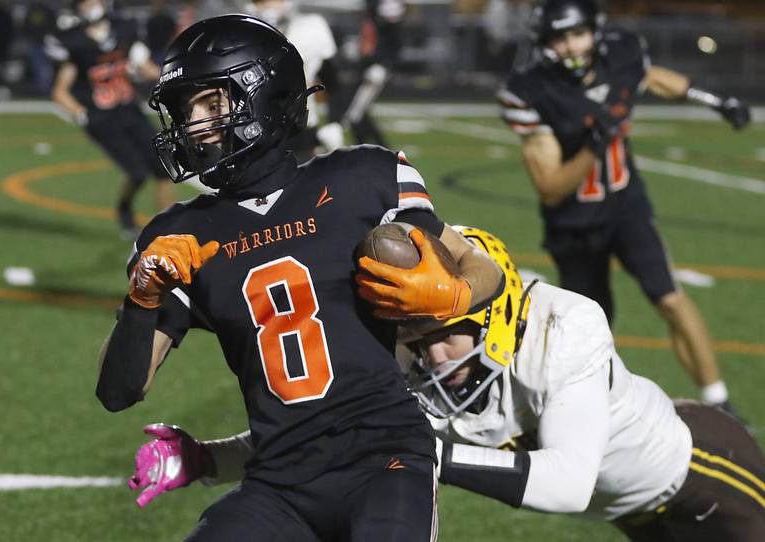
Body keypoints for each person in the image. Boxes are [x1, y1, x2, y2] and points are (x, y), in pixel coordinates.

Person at [96, 14, 502, 541]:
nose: (193, 124)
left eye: (211, 104)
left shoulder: (362, 177)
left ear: (264, 94)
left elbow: (480, 264)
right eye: (184, 109)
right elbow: (118, 390)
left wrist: (457, 292)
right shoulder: (180, 234)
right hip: (277, 480)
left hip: (385, 457)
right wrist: (142, 299)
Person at [133, 226, 765, 541]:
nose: (433, 356)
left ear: (492, 312)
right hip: (634, 512)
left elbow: (570, 484)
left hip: (703, 466)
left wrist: (427, 453)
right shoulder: (413, 365)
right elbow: (320, 437)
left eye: (445, 332)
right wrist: (205, 460)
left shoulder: (564, 325)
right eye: (414, 339)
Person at [495, 0, 751, 409]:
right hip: (573, 223)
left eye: (577, 34)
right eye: (559, 38)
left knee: (669, 297)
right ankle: (594, 411)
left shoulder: (621, 54)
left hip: (625, 207)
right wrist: (594, 146)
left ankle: (719, 401)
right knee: (588, 329)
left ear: (594, 31)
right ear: (545, 44)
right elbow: (550, 187)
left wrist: (715, 100)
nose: (571, 47)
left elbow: (650, 77)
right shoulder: (531, 90)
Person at [47, 0, 173, 240]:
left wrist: (171, 79)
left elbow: (144, 66)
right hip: (102, 118)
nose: (92, 5)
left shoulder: (123, 29)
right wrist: (82, 115)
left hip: (128, 109)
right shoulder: (76, 43)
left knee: (164, 167)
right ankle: (124, 208)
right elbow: (60, 91)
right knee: (137, 173)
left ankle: (166, 231)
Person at [244, 0, 347, 162]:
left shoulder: (310, 29)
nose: (270, 6)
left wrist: (334, 123)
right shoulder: (243, 35)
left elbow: (332, 82)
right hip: (255, 136)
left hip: (301, 132)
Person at [342, 0, 406, 146]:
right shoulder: (374, 18)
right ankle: (377, 148)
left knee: (355, 114)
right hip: (368, 68)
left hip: (376, 69)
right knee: (358, 113)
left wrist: (385, 66)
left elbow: (393, 45)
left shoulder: (388, 23)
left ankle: (372, 148)